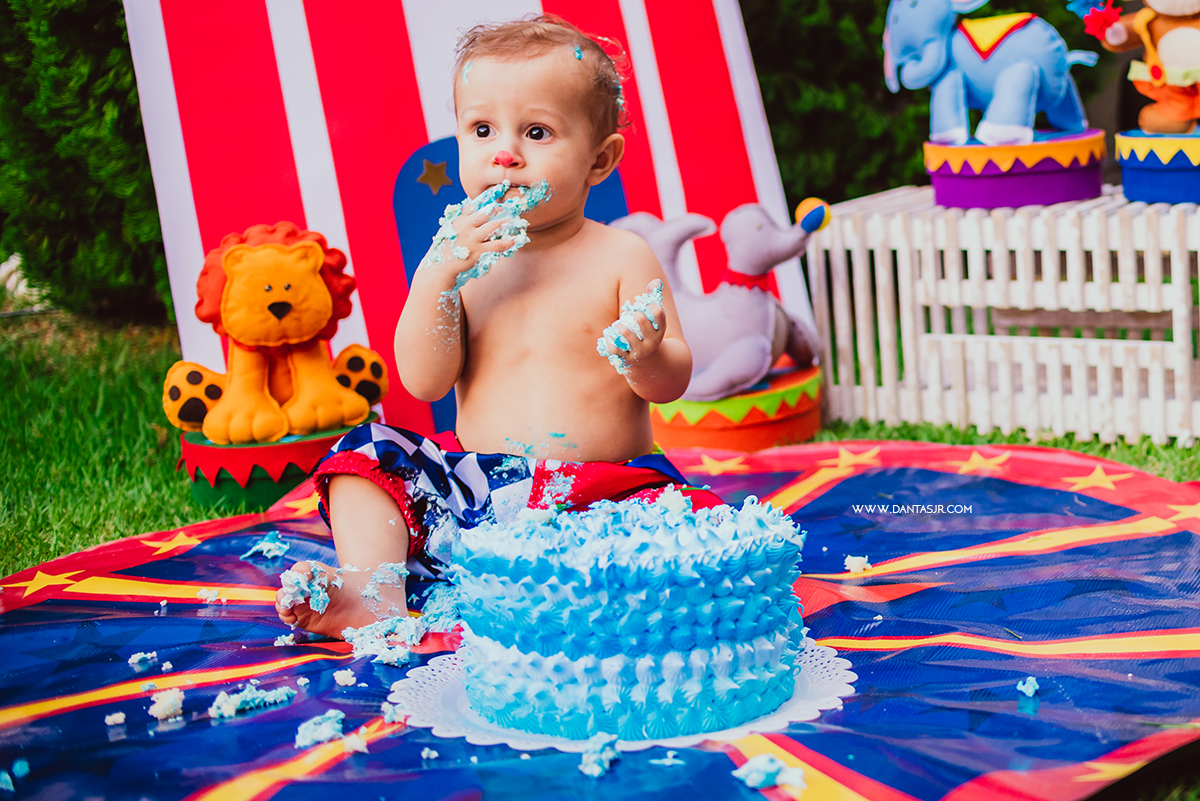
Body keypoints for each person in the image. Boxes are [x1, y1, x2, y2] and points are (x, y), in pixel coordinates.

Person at [276, 15, 720, 639]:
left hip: (604, 499)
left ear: (600, 159)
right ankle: (373, 590)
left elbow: (670, 380)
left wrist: (645, 354)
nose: (504, 152)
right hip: (480, 500)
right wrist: (438, 278)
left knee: (694, 547)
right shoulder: (459, 262)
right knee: (364, 455)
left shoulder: (621, 255)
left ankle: (555, 594)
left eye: (536, 132)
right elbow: (425, 382)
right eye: (481, 130)